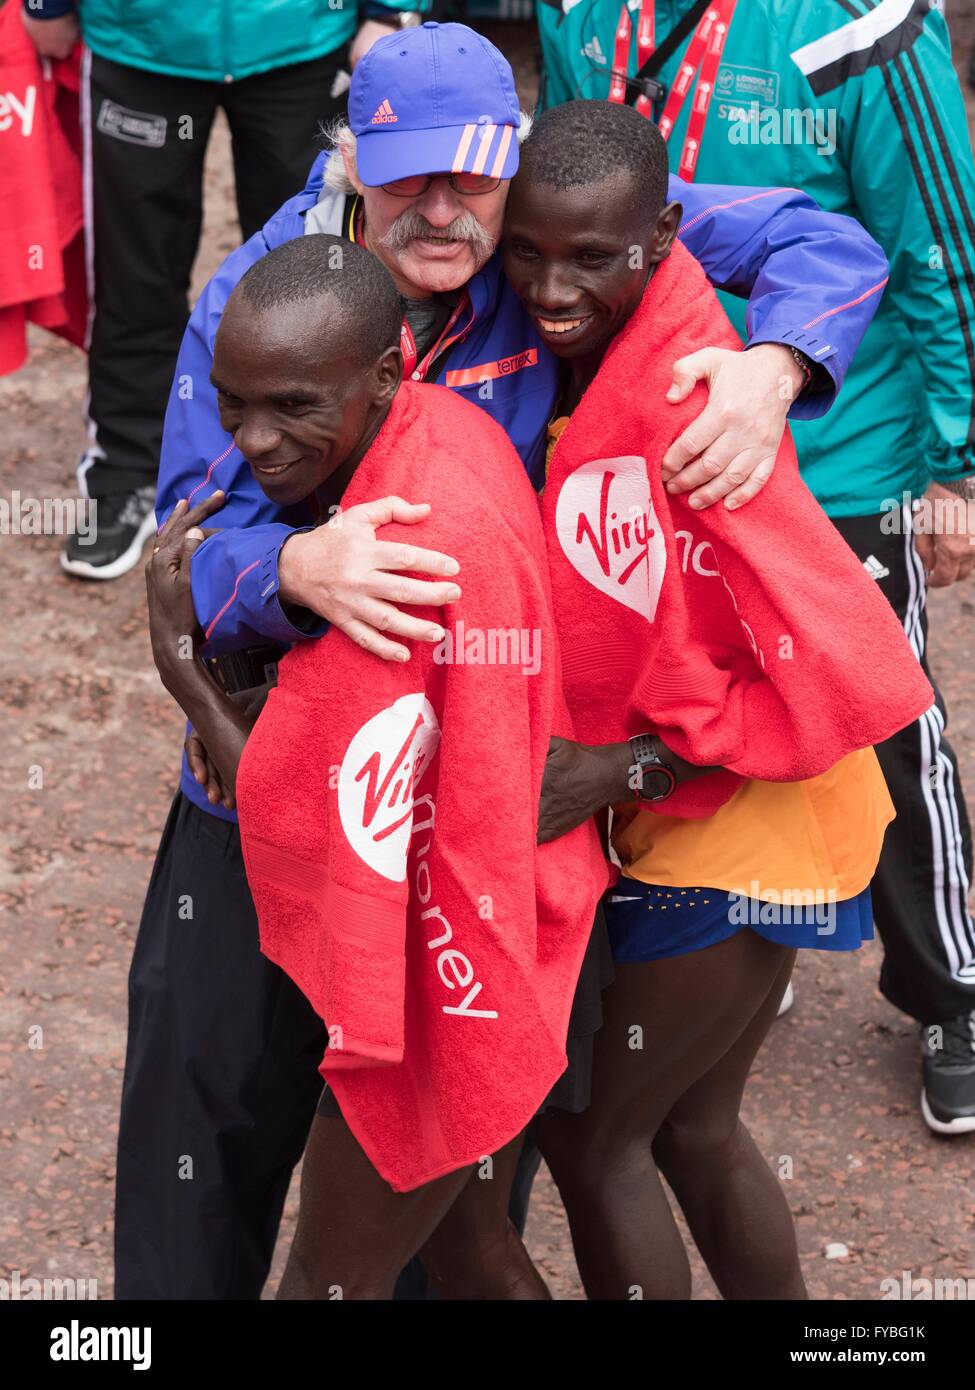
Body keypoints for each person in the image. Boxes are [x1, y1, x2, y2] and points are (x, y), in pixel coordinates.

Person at [121, 21, 889, 1300]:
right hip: (277, 793)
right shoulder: (262, 291)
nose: (441, 209)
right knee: (203, 1148)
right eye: (406, 172)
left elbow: (830, 243)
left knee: (453, 1186)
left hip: (484, 815)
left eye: (467, 176)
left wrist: (772, 367)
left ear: (511, 161)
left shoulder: (545, 245)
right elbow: (190, 539)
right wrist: (289, 573)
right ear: (349, 156)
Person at [503, 98, 931, 1299]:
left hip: (750, 804)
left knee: (599, 1144)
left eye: (591, 258)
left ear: (664, 236)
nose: (548, 287)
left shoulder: (702, 416)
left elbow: (835, 668)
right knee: (690, 1131)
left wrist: (618, 771)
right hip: (728, 787)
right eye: (524, 251)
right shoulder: (609, 301)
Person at [536, 0, 975, 1136]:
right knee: (670, 676)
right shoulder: (584, 6)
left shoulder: (865, 24)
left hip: (831, 445)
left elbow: (935, 238)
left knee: (883, 709)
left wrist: (960, 467)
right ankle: (717, 933)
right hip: (660, 441)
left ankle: (953, 993)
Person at [145, 232, 608, 1299]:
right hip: (517, 923)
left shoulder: (395, 549)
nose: (255, 443)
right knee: (469, 1246)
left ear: (388, 373)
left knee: (325, 1281)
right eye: (234, 403)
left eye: (293, 406)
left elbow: (318, 810)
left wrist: (185, 666)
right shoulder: (448, 429)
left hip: (444, 984)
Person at [20, 0, 430, 582]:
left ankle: (314, 484)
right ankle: (123, 474)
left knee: (318, 278)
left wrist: (393, 9)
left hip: (302, 36)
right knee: (134, 277)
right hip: (141, 37)